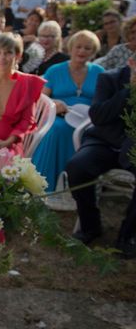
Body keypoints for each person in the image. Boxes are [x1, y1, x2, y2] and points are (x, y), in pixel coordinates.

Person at [66, 55, 136, 257]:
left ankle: (128, 235)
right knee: (77, 167)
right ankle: (90, 225)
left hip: (132, 148)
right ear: (131, 63)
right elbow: (98, 115)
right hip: (104, 142)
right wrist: (128, 91)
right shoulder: (109, 79)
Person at [31, 31, 103, 191]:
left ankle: (79, 185)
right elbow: (41, 100)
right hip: (59, 116)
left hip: (89, 120)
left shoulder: (99, 72)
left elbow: (106, 101)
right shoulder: (55, 70)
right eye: (78, 47)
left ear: (93, 52)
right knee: (56, 129)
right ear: (70, 48)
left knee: (92, 133)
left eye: (87, 48)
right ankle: (45, 185)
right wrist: (54, 104)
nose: (82, 51)